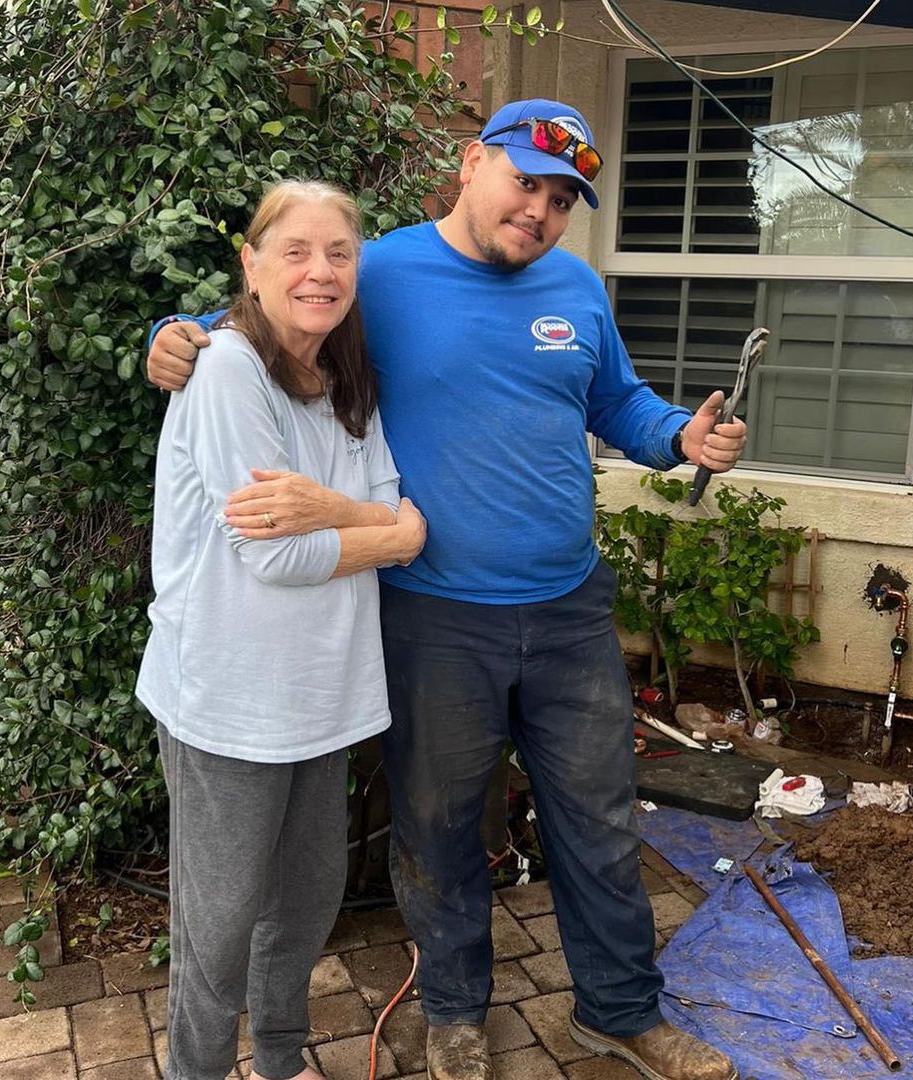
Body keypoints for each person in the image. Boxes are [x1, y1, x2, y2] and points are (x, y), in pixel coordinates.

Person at [147, 101, 746, 1080]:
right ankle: (455, 1014)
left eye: (563, 200)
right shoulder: (379, 271)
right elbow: (271, 320)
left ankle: (620, 1013)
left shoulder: (577, 287)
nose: (541, 211)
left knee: (599, 825)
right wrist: (175, 333)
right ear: (473, 164)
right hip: (436, 616)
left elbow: (616, 402)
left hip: (568, 611)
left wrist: (678, 434)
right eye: (526, 184)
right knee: (438, 828)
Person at [137, 179, 427, 1080]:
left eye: (339, 253)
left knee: (305, 901)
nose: (319, 271)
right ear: (251, 264)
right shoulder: (227, 369)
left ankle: (279, 1058)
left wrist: (356, 517)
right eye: (295, 251)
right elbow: (279, 556)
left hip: (322, 692)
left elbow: (389, 507)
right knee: (219, 922)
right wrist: (394, 535)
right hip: (227, 698)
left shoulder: (346, 378)